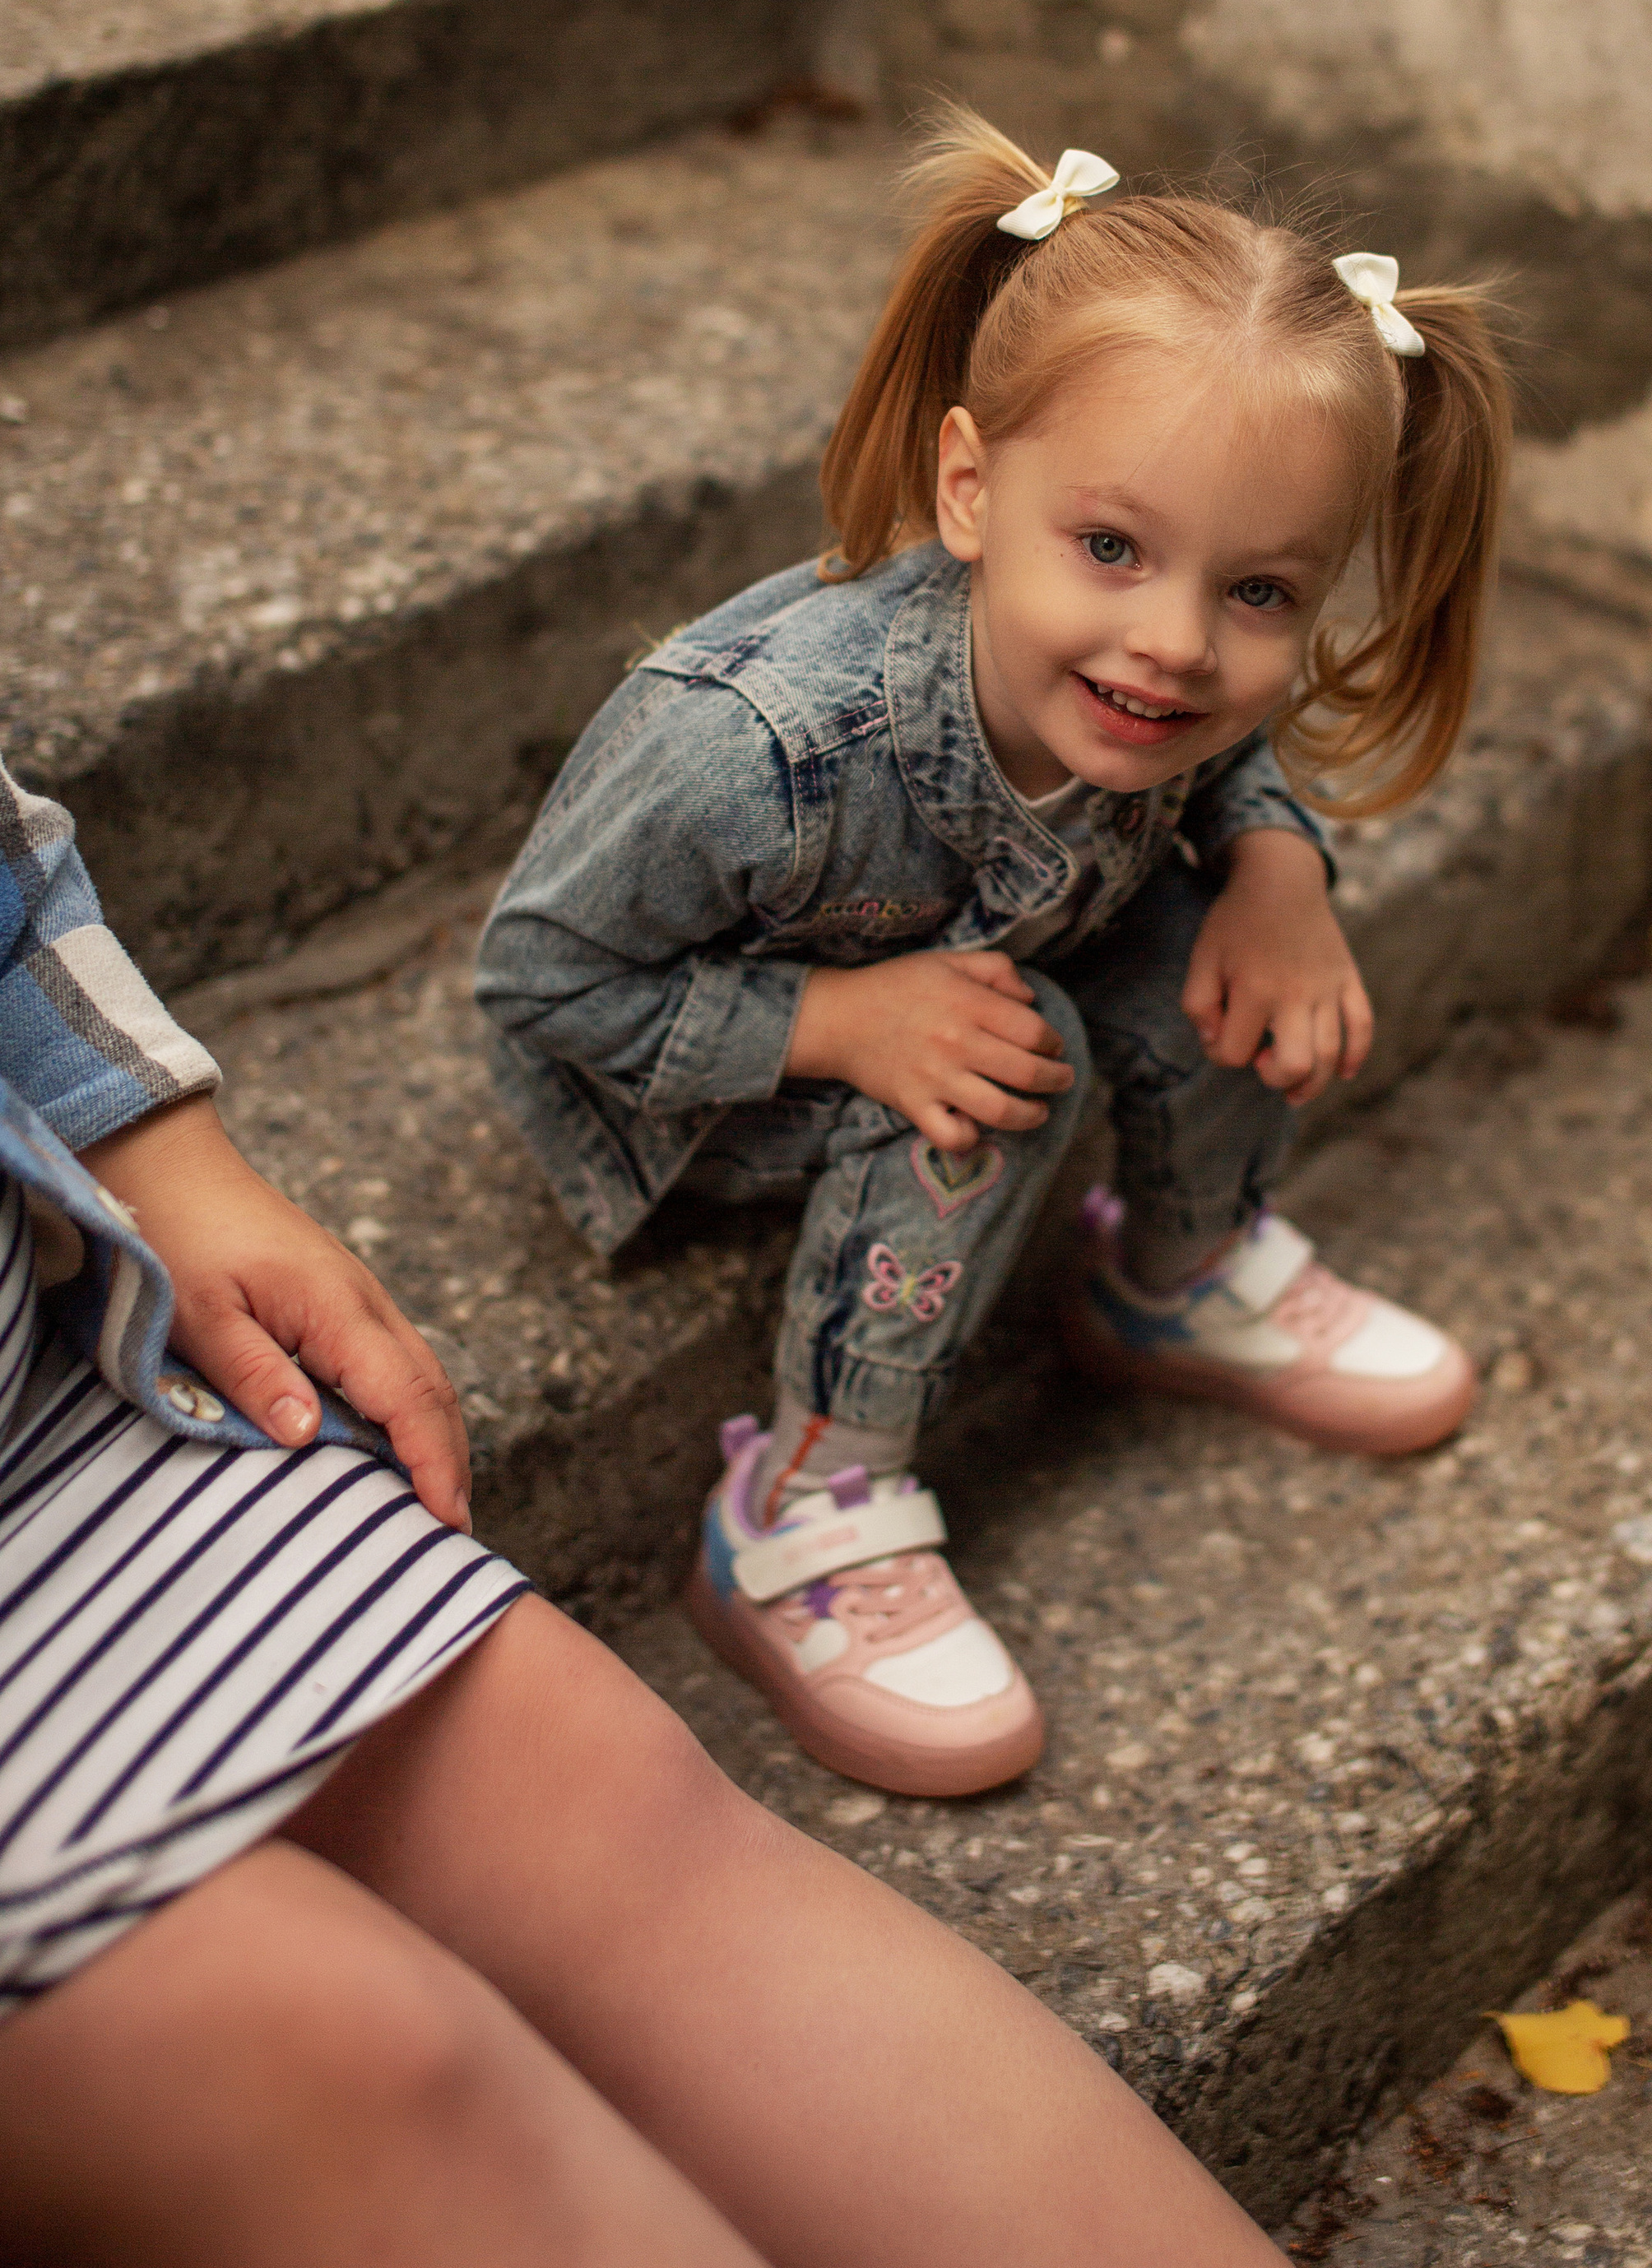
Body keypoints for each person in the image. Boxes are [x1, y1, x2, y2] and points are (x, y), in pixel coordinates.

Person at [0, 761, 1281, 2267]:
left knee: (607, 1801)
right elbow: (552, 963)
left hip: (49, 1418)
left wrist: (143, 1134)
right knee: (317, 2050)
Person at [476, 112, 1511, 1800]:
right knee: (1006, 1061)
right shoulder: (756, 749)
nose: (1173, 643)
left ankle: (1169, 1272)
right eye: (1110, 548)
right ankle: (798, 1508)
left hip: (1000, 942)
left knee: (1213, 953)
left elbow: (1213, 750)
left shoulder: (1140, 676)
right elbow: (537, 983)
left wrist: (1270, 865)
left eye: (1259, 592)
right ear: (970, 486)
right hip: (696, 1068)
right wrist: (834, 1021)